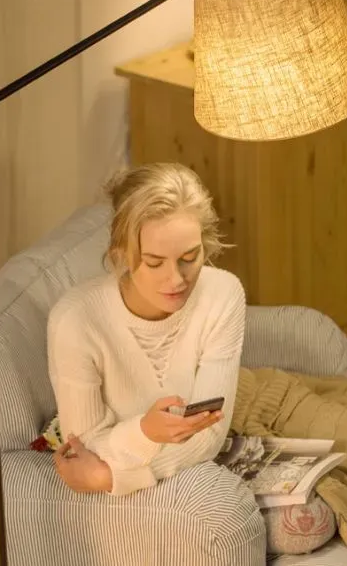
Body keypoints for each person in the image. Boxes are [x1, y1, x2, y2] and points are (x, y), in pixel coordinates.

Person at [47, 161, 246, 497]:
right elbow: (85, 448)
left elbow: (210, 436)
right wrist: (145, 432)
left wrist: (113, 478)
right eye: (154, 262)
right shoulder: (76, 321)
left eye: (190, 257)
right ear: (122, 255)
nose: (177, 279)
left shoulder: (223, 292)